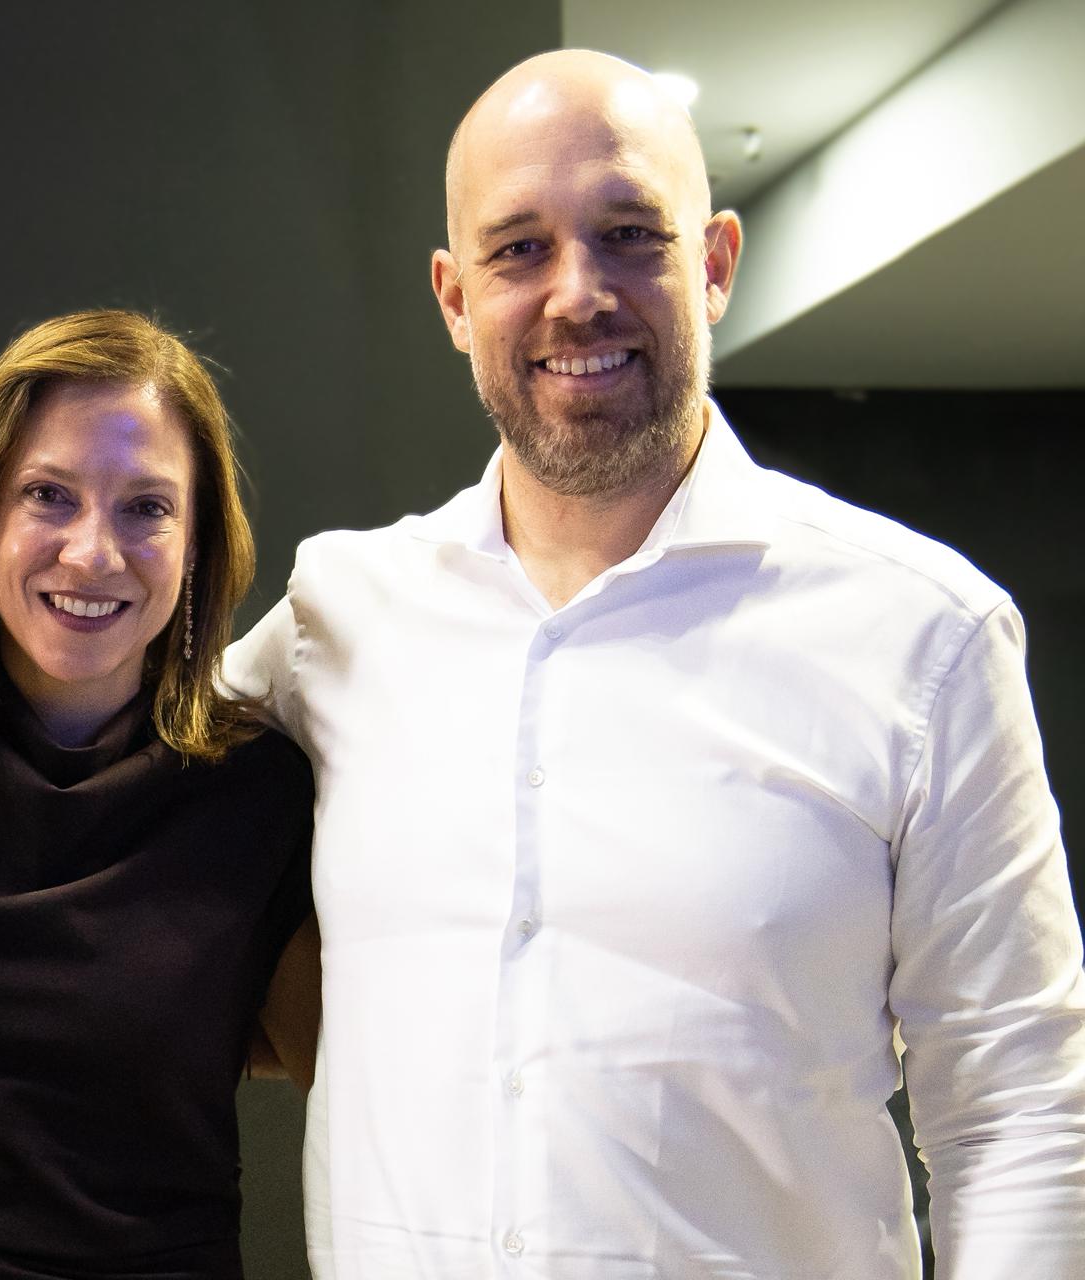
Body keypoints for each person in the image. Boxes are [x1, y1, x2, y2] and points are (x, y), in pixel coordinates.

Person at [222, 49, 1085, 1280]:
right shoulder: (337, 617)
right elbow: (87, 773)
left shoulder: (925, 634)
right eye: (517, 247)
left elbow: (1019, 1111)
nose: (577, 293)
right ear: (453, 296)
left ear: (715, 263)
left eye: (629, 233)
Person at [0, 310, 318, 1279]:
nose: (92, 551)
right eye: (48, 494)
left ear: (200, 538)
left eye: (146, 506)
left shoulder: (261, 794)